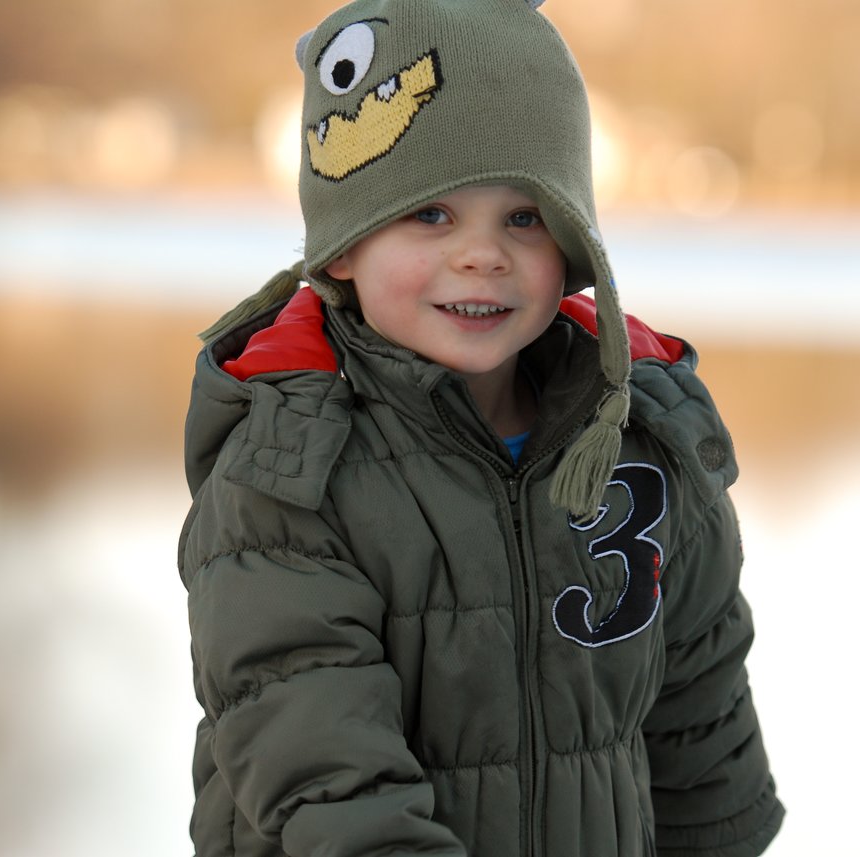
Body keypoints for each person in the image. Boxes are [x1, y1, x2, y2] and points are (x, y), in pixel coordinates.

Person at [178, 1, 784, 855]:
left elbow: (701, 719)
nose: (483, 255)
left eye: (524, 218)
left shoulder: (641, 443)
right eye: (431, 214)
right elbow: (327, 776)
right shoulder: (288, 476)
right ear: (344, 247)